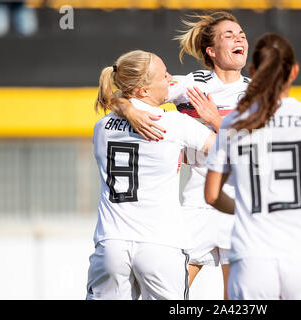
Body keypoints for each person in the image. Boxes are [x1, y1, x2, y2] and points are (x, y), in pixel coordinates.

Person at [204, 33, 301, 299]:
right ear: (294, 72)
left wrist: (246, 207)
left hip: (252, 257)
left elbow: (212, 195)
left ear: (252, 71)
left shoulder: (233, 121)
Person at [112, 12, 249, 299]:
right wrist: (131, 111)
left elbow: (256, 153)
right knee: (172, 292)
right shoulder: (189, 84)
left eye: (242, 35)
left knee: (238, 297)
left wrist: (215, 119)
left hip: (241, 201)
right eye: (230, 35)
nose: (239, 39)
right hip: (197, 198)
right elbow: (120, 93)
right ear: (211, 51)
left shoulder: (256, 93)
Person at [86, 50, 216, 300]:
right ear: (143, 90)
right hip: (161, 245)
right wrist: (214, 119)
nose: (171, 80)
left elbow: (114, 102)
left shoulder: (101, 127)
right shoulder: (174, 123)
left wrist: (125, 107)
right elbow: (231, 150)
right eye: (164, 75)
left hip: (112, 244)